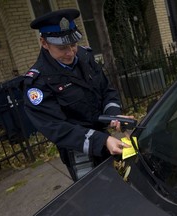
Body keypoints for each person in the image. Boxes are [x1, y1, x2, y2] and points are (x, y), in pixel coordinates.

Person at [23, 8, 133, 181]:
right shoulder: (38, 82)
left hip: (104, 139)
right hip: (78, 149)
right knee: (93, 193)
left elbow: (106, 90)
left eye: (73, 44)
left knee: (119, 182)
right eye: (62, 48)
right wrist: (101, 140)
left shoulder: (85, 56)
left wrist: (113, 115)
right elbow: (56, 127)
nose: (71, 52)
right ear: (44, 43)